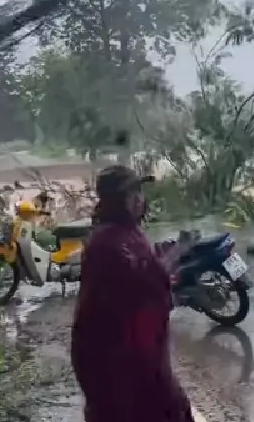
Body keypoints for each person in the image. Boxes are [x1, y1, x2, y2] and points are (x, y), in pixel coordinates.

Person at [70, 164, 193, 422]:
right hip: (113, 359)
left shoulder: (127, 233)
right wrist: (178, 251)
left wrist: (161, 255)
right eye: (131, 193)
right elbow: (144, 279)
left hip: (138, 354)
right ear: (116, 201)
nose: (140, 199)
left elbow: (144, 272)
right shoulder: (107, 241)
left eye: (140, 191)